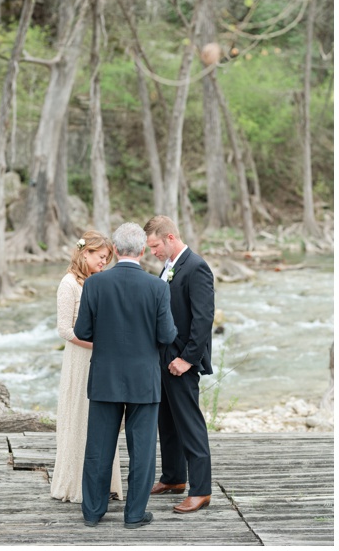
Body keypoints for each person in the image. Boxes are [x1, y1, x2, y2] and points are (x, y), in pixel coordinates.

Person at [74, 222, 177, 529]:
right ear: (143, 251)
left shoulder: (94, 284)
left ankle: (93, 512)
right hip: (144, 380)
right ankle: (134, 515)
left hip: (105, 377)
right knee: (142, 451)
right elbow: (167, 334)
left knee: (98, 448)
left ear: (116, 250)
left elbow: (82, 331)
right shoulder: (158, 287)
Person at [144, 215, 215, 514]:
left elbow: (203, 319)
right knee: (167, 422)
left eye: (155, 245)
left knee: (189, 423)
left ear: (170, 237)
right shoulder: (169, 267)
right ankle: (173, 478)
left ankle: (201, 490)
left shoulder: (196, 267)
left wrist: (187, 359)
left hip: (181, 362)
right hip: (164, 359)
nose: (153, 252)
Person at [51, 231, 123, 504]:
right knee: (80, 415)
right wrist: (99, 345)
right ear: (85, 253)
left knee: (103, 417)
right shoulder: (68, 284)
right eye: (101, 257)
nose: (104, 262)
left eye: (107, 258)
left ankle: (105, 482)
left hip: (102, 359)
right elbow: (65, 330)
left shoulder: (99, 281)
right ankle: (76, 484)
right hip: (81, 359)